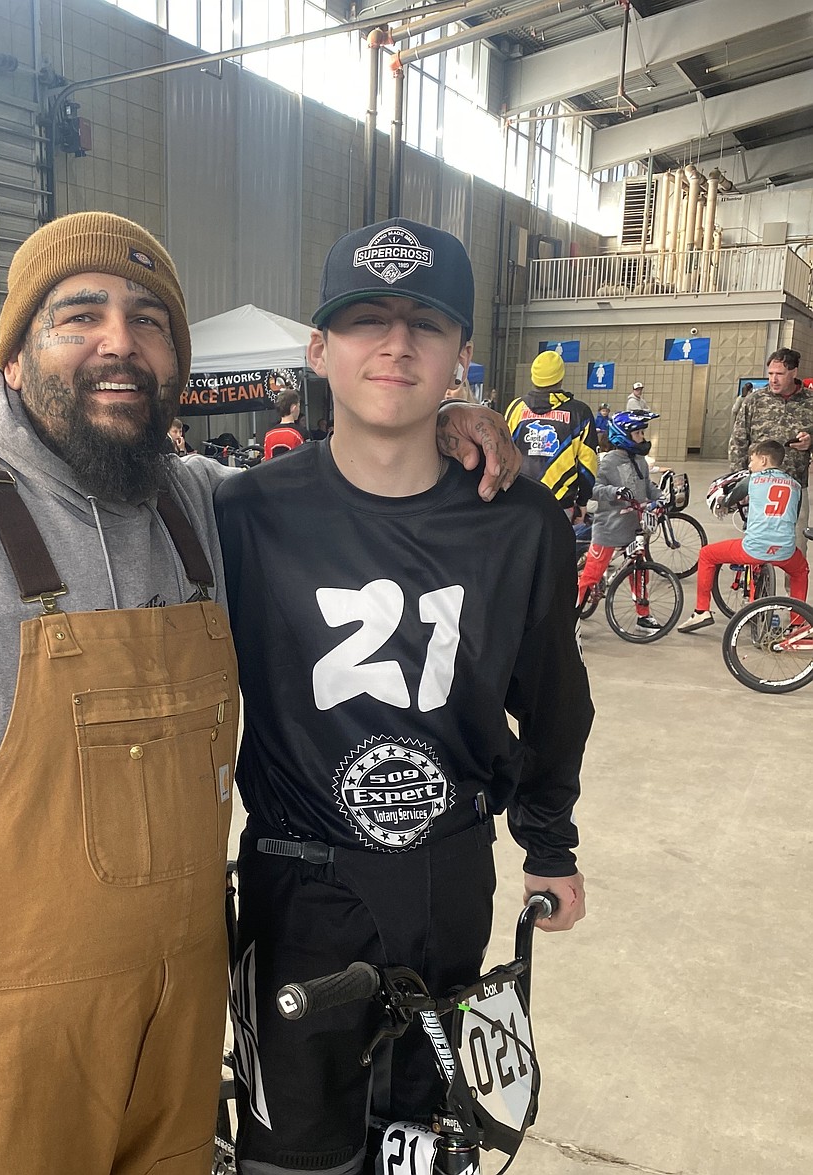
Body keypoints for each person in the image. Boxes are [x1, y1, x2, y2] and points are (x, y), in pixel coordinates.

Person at [0, 211, 517, 1174]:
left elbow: (335, 489)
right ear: (20, 351)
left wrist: (423, 424)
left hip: (175, 1032)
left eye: (150, 320)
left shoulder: (198, 506)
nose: (120, 341)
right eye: (80, 314)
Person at [214, 217, 591, 1175]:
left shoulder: (521, 521)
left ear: (463, 353)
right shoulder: (240, 512)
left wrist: (549, 843)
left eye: (425, 322)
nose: (395, 344)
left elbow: (554, 696)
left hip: (451, 881)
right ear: (318, 349)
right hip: (298, 889)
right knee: (292, 1154)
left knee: (436, 1150)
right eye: (364, 319)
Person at [679, 439, 809, 633]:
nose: (750, 465)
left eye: (752, 460)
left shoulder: (752, 480)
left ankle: (701, 611)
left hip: (754, 548)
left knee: (707, 554)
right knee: (800, 571)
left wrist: (723, 502)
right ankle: (797, 624)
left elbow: (731, 499)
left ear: (764, 460)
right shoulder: (796, 486)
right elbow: (793, 515)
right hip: (785, 550)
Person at [576, 411, 663, 628]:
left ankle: (643, 615)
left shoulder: (640, 461)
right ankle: (570, 614)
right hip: (609, 529)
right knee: (591, 575)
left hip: (635, 527)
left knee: (640, 573)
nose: (642, 437)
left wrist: (660, 498)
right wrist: (615, 492)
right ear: (624, 435)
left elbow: (646, 487)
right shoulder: (607, 462)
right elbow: (592, 489)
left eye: (643, 432)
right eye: (637, 433)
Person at [728, 348, 813, 561]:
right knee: (755, 548)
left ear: (794, 372)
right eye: (770, 374)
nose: (773, 379)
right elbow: (738, 442)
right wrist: (740, 482)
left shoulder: (810, 402)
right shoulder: (755, 401)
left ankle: (790, 595)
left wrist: (810, 442)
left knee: (795, 549)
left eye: (780, 374)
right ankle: (756, 592)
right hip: (758, 488)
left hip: (795, 488)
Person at [505, 350, 598, 517]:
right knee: (556, 544)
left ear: (533, 377)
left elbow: (503, 453)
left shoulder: (516, 408)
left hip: (519, 501)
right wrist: (583, 501)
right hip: (560, 504)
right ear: (560, 377)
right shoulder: (580, 413)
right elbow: (588, 464)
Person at [263, 389, 307, 459]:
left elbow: (267, 461)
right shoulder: (300, 433)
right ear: (293, 408)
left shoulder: (269, 435)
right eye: (298, 406)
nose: (299, 409)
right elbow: (305, 459)